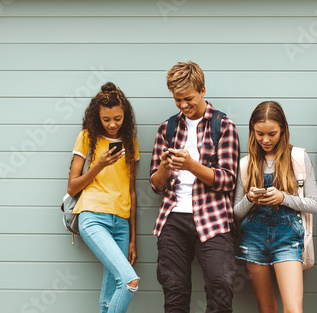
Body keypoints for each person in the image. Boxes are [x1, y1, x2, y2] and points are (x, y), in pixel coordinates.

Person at [149, 61, 239, 313]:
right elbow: (156, 186)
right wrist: (166, 167)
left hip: (214, 218)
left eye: (188, 98)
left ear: (202, 90)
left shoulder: (223, 126)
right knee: (174, 290)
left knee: (220, 285)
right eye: (177, 100)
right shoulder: (166, 129)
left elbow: (228, 180)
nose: (183, 105)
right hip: (173, 218)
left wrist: (191, 165)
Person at [233, 101, 317, 313]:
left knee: (293, 309)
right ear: (252, 130)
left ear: (283, 129)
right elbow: (235, 213)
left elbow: (314, 205)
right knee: (267, 309)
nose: (265, 140)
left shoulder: (298, 158)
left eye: (272, 133)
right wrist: (250, 199)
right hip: (252, 239)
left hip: (288, 238)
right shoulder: (246, 164)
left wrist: (283, 198)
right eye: (259, 134)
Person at [67, 82, 140, 313]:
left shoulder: (130, 143)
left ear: (124, 116)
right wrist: (98, 165)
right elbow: (72, 187)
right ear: (97, 116)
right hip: (93, 217)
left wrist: (133, 240)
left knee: (110, 296)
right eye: (106, 119)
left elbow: (131, 192)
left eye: (117, 118)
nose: (111, 124)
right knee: (130, 281)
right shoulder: (87, 137)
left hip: (121, 224)